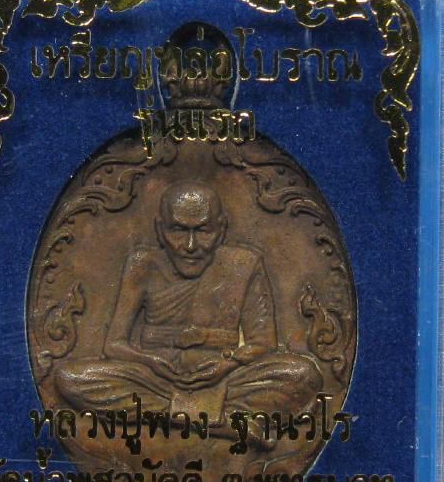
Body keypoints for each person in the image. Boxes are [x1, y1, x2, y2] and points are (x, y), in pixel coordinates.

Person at [54, 180, 320, 424]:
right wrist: (151, 362)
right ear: (160, 230)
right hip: (157, 379)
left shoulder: (244, 264)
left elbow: (263, 343)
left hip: (224, 378)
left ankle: (169, 415)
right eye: (178, 230)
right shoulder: (143, 265)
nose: (190, 245)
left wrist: (226, 365)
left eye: (202, 230)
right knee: (71, 379)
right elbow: (114, 344)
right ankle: (224, 423)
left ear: (221, 229)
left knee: (302, 375)